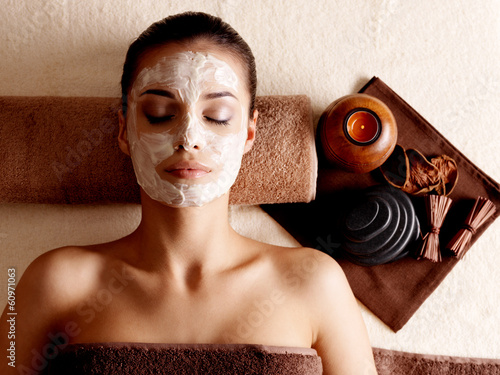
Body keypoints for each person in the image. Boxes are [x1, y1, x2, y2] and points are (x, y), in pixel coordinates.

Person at [0, 11, 376, 374]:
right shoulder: (54, 281)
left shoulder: (313, 282)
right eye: (160, 113)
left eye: (217, 117)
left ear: (248, 132)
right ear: (123, 130)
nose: (188, 138)